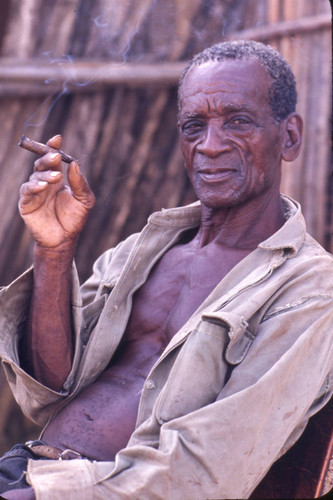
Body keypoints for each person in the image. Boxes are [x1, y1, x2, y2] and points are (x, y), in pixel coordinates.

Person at [0, 40, 332, 500]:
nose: (210, 146)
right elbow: (51, 388)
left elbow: (209, 468)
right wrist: (53, 252)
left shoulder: (310, 289)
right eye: (194, 126)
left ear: (289, 137)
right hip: (32, 468)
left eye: (237, 121)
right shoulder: (143, 249)